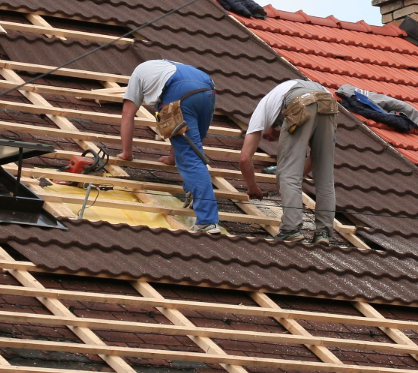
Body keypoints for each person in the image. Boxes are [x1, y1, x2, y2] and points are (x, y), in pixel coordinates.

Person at [118, 59, 220, 234]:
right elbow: (179, 132)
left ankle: (207, 221)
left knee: (191, 157)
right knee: (192, 148)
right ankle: (192, 190)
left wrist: (126, 153)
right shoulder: (169, 66)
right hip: (207, 90)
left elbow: (128, 114)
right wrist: (172, 158)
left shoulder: (138, 73)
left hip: (179, 92)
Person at [239, 80, 337, 246]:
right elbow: (314, 159)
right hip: (328, 101)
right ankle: (324, 233)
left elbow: (244, 158)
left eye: (266, 135)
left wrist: (253, 187)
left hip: (300, 99)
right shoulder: (279, 103)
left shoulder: (262, 110)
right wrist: (289, 184)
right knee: (325, 175)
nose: (269, 138)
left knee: (287, 172)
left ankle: (290, 230)